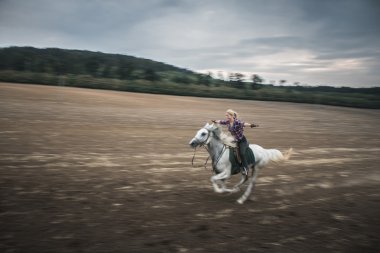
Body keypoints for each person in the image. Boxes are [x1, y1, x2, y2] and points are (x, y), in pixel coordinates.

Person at [212, 109, 258, 175]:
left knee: (242, 153)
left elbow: (244, 123)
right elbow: (221, 121)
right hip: (234, 140)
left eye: (227, 115)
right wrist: (215, 121)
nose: (226, 117)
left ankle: (245, 168)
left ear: (232, 115)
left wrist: (251, 125)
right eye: (226, 115)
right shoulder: (227, 122)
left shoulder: (237, 122)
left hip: (242, 141)